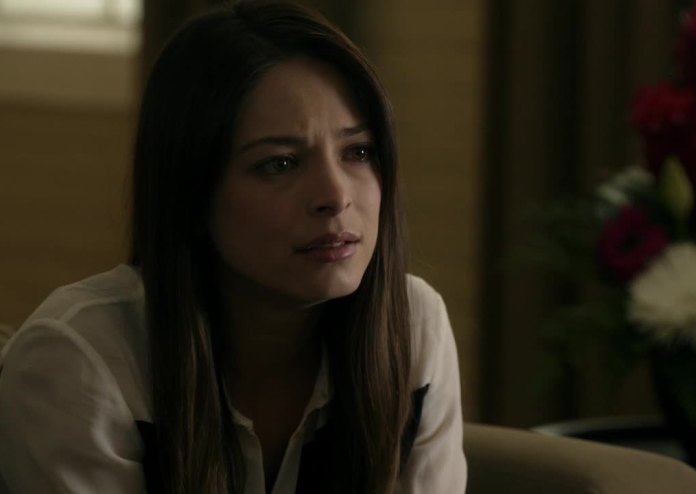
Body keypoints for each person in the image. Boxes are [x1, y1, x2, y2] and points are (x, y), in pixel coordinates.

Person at [0, 2, 467, 493]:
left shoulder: (413, 329)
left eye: (358, 152)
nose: (335, 196)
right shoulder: (82, 361)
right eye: (280, 164)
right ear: (192, 195)